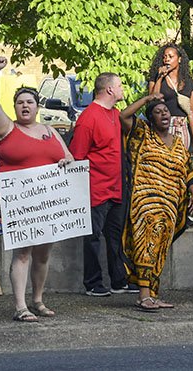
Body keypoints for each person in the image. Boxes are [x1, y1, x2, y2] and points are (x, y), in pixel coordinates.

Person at [0, 56, 74, 322]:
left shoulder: (50, 130)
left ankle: (37, 300)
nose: (25, 106)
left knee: (43, 253)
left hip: (47, 201)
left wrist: (66, 161)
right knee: (23, 252)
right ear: (14, 107)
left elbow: (68, 156)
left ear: (37, 106)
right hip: (20, 200)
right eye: (20, 102)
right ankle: (20, 306)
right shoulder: (6, 129)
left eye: (30, 102)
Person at [120, 93, 193, 311]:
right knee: (146, 245)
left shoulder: (177, 142)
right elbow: (124, 115)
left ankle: (152, 295)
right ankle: (144, 296)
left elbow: (189, 170)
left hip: (170, 206)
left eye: (165, 111)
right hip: (146, 203)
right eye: (158, 112)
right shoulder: (142, 133)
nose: (164, 114)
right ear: (150, 118)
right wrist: (147, 100)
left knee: (159, 250)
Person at [69, 73, 136, 296]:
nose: (122, 89)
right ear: (109, 90)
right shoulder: (88, 118)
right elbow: (77, 156)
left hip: (117, 186)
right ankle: (93, 283)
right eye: (120, 85)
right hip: (96, 187)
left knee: (115, 235)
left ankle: (119, 280)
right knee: (93, 237)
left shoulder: (116, 114)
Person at [147, 44, 193, 150]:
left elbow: (192, 112)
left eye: (171, 57)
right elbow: (153, 100)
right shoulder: (157, 78)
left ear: (179, 59)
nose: (167, 60)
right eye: (165, 57)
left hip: (182, 128)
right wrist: (160, 78)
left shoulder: (188, 82)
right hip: (163, 127)